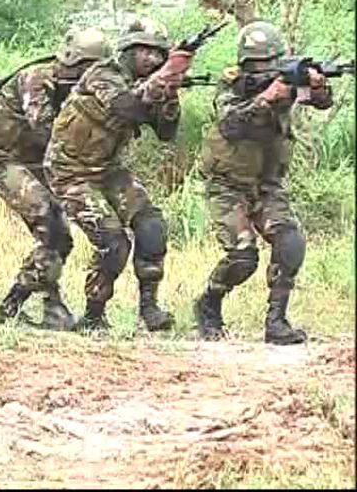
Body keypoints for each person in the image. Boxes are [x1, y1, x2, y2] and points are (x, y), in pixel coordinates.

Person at [45, 18, 193, 332]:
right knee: (113, 241)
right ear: (127, 49)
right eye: (144, 51)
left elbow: (166, 132)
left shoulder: (154, 83)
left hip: (108, 171)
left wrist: (170, 92)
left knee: (151, 226)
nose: (152, 59)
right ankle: (94, 314)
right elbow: (128, 108)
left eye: (158, 54)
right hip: (70, 173)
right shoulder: (103, 74)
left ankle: (149, 309)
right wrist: (164, 78)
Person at [195, 20, 333, 345]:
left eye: (270, 64)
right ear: (244, 64)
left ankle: (276, 321)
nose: (265, 70)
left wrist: (317, 86)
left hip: (267, 184)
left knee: (290, 243)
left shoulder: (288, 87)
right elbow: (230, 124)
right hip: (228, 186)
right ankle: (209, 303)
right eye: (257, 65)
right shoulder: (230, 87)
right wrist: (266, 99)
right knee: (243, 257)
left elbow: (320, 101)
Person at [0, 27, 113, 330]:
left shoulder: (82, 89)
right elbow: (45, 128)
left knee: (60, 238)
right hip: (2, 158)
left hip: (41, 162)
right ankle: (44, 303)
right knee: (50, 220)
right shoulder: (37, 79)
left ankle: (18, 303)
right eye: (87, 67)